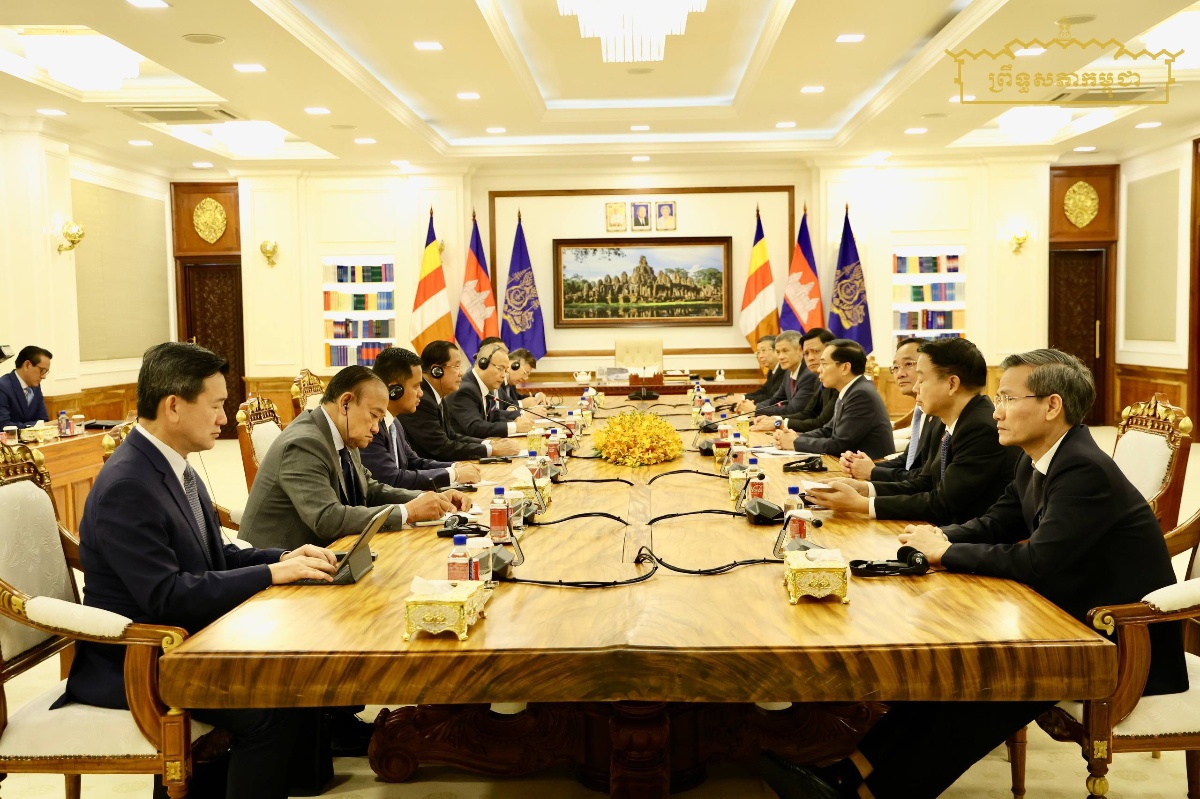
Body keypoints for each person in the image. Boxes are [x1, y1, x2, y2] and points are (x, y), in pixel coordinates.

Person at [760, 348, 1188, 799]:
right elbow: (997, 522)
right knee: (947, 673)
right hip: (1068, 618)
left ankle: (871, 793)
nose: (996, 411)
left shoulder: (1082, 468)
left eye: (1008, 399)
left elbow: (1036, 561)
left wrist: (947, 551)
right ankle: (846, 774)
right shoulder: (1038, 455)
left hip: (1122, 641)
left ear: (1052, 406)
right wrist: (929, 538)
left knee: (986, 683)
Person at [58, 342, 339, 799]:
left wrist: (283, 558)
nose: (224, 419)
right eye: (216, 405)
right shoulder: (129, 484)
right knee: (270, 709)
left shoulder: (172, 467)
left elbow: (216, 556)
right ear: (173, 406)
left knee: (293, 682)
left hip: (187, 643)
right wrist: (271, 575)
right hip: (139, 661)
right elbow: (166, 596)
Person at [239, 365, 464, 552]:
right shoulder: (304, 443)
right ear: (345, 402)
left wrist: (429, 499)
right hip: (278, 567)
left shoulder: (344, 432)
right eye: (373, 416)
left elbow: (370, 489)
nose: (376, 428)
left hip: (326, 553)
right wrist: (408, 512)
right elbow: (327, 518)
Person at [809, 337, 1020, 525]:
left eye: (922, 379)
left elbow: (942, 503)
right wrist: (864, 489)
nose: (916, 388)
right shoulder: (946, 420)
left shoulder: (980, 428)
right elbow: (924, 482)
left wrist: (862, 504)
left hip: (970, 538)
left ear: (952, 384)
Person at [361, 346, 482, 490]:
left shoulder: (394, 423)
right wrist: (453, 475)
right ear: (394, 390)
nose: (421, 393)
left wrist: (455, 466)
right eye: (416, 386)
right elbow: (392, 479)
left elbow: (414, 462)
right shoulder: (371, 428)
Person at [841, 337, 944, 482]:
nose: (900, 374)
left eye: (908, 364)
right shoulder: (921, 409)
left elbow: (926, 477)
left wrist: (873, 472)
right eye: (895, 367)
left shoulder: (940, 412)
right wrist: (862, 466)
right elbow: (909, 459)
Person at [774, 339, 894, 458]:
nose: (819, 369)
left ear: (845, 368)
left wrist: (795, 442)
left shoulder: (861, 394)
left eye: (824, 364)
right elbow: (828, 430)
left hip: (873, 465)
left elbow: (839, 445)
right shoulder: (851, 390)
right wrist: (794, 437)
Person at [406, 341, 522, 461]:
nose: (461, 373)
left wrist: (489, 444)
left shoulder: (437, 395)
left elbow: (451, 436)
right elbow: (441, 447)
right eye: (456, 366)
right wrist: (491, 450)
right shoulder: (422, 400)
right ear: (437, 371)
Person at [751, 328, 837, 433]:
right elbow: (808, 413)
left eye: (816, 351)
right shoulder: (817, 379)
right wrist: (775, 419)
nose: (810, 358)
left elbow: (820, 422)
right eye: (807, 353)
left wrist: (777, 423)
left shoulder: (813, 376)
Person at [445, 341, 534, 439]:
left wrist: (516, 421)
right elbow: (475, 427)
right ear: (483, 364)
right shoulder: (465, 390)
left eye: (505, 370)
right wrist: (514, 427)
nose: (503, 375)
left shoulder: (485, 386)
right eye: (500, 368)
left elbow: (494, 416)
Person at [737, 331, 816, 418]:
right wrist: (751, 406)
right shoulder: (788, 372)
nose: (781, 357)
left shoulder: (809, 375)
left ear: (800, 350)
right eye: (778, 352)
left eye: (785, 351)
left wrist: (755, 409)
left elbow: (792, 409)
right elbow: (774, 400)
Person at [0, 345, 52, 428]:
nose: (44, 376)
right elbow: (4, 426)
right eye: (42, 371)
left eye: (46, 372)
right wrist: (32, 427)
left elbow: (43, 420)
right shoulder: (3, 386)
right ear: (27, 365)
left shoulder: (36, 386)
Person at [731, 335, 782, 406]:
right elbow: (763, 391)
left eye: (763, 350)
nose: (760, 356)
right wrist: (742, 397)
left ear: (777, 351)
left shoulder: (784, 371)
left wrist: (742, 399)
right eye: (758, 352)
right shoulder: (772, 370)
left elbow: (771, 397)